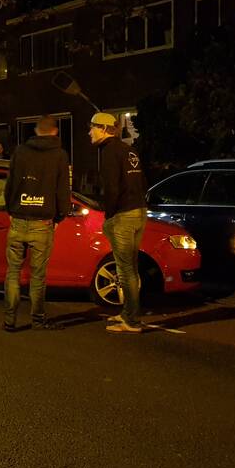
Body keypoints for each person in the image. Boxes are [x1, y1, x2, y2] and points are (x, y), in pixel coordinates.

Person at [2, 115, 70, 331]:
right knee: (38, 275)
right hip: (42, 221)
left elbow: (10, 184)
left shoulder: (20, 152)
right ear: (54, 131)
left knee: (13, 272)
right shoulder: (59, 155)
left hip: (18, 218)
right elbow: (63, 189)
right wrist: (60, 216)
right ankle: (38, 319)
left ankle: (9, 320)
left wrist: (10, 209)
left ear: (36, 130)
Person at [89, 112, 148, 333]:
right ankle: (128, 313)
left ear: (104, 129)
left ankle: (132, 320)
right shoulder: (129, 150)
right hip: (139, 211)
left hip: (123, 215)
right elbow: (143, 181)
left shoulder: (109, 152)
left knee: (125, 269)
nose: (89, 132)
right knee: (131, 266)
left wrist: (109, 215)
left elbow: (111, 188)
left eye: (93, 127)